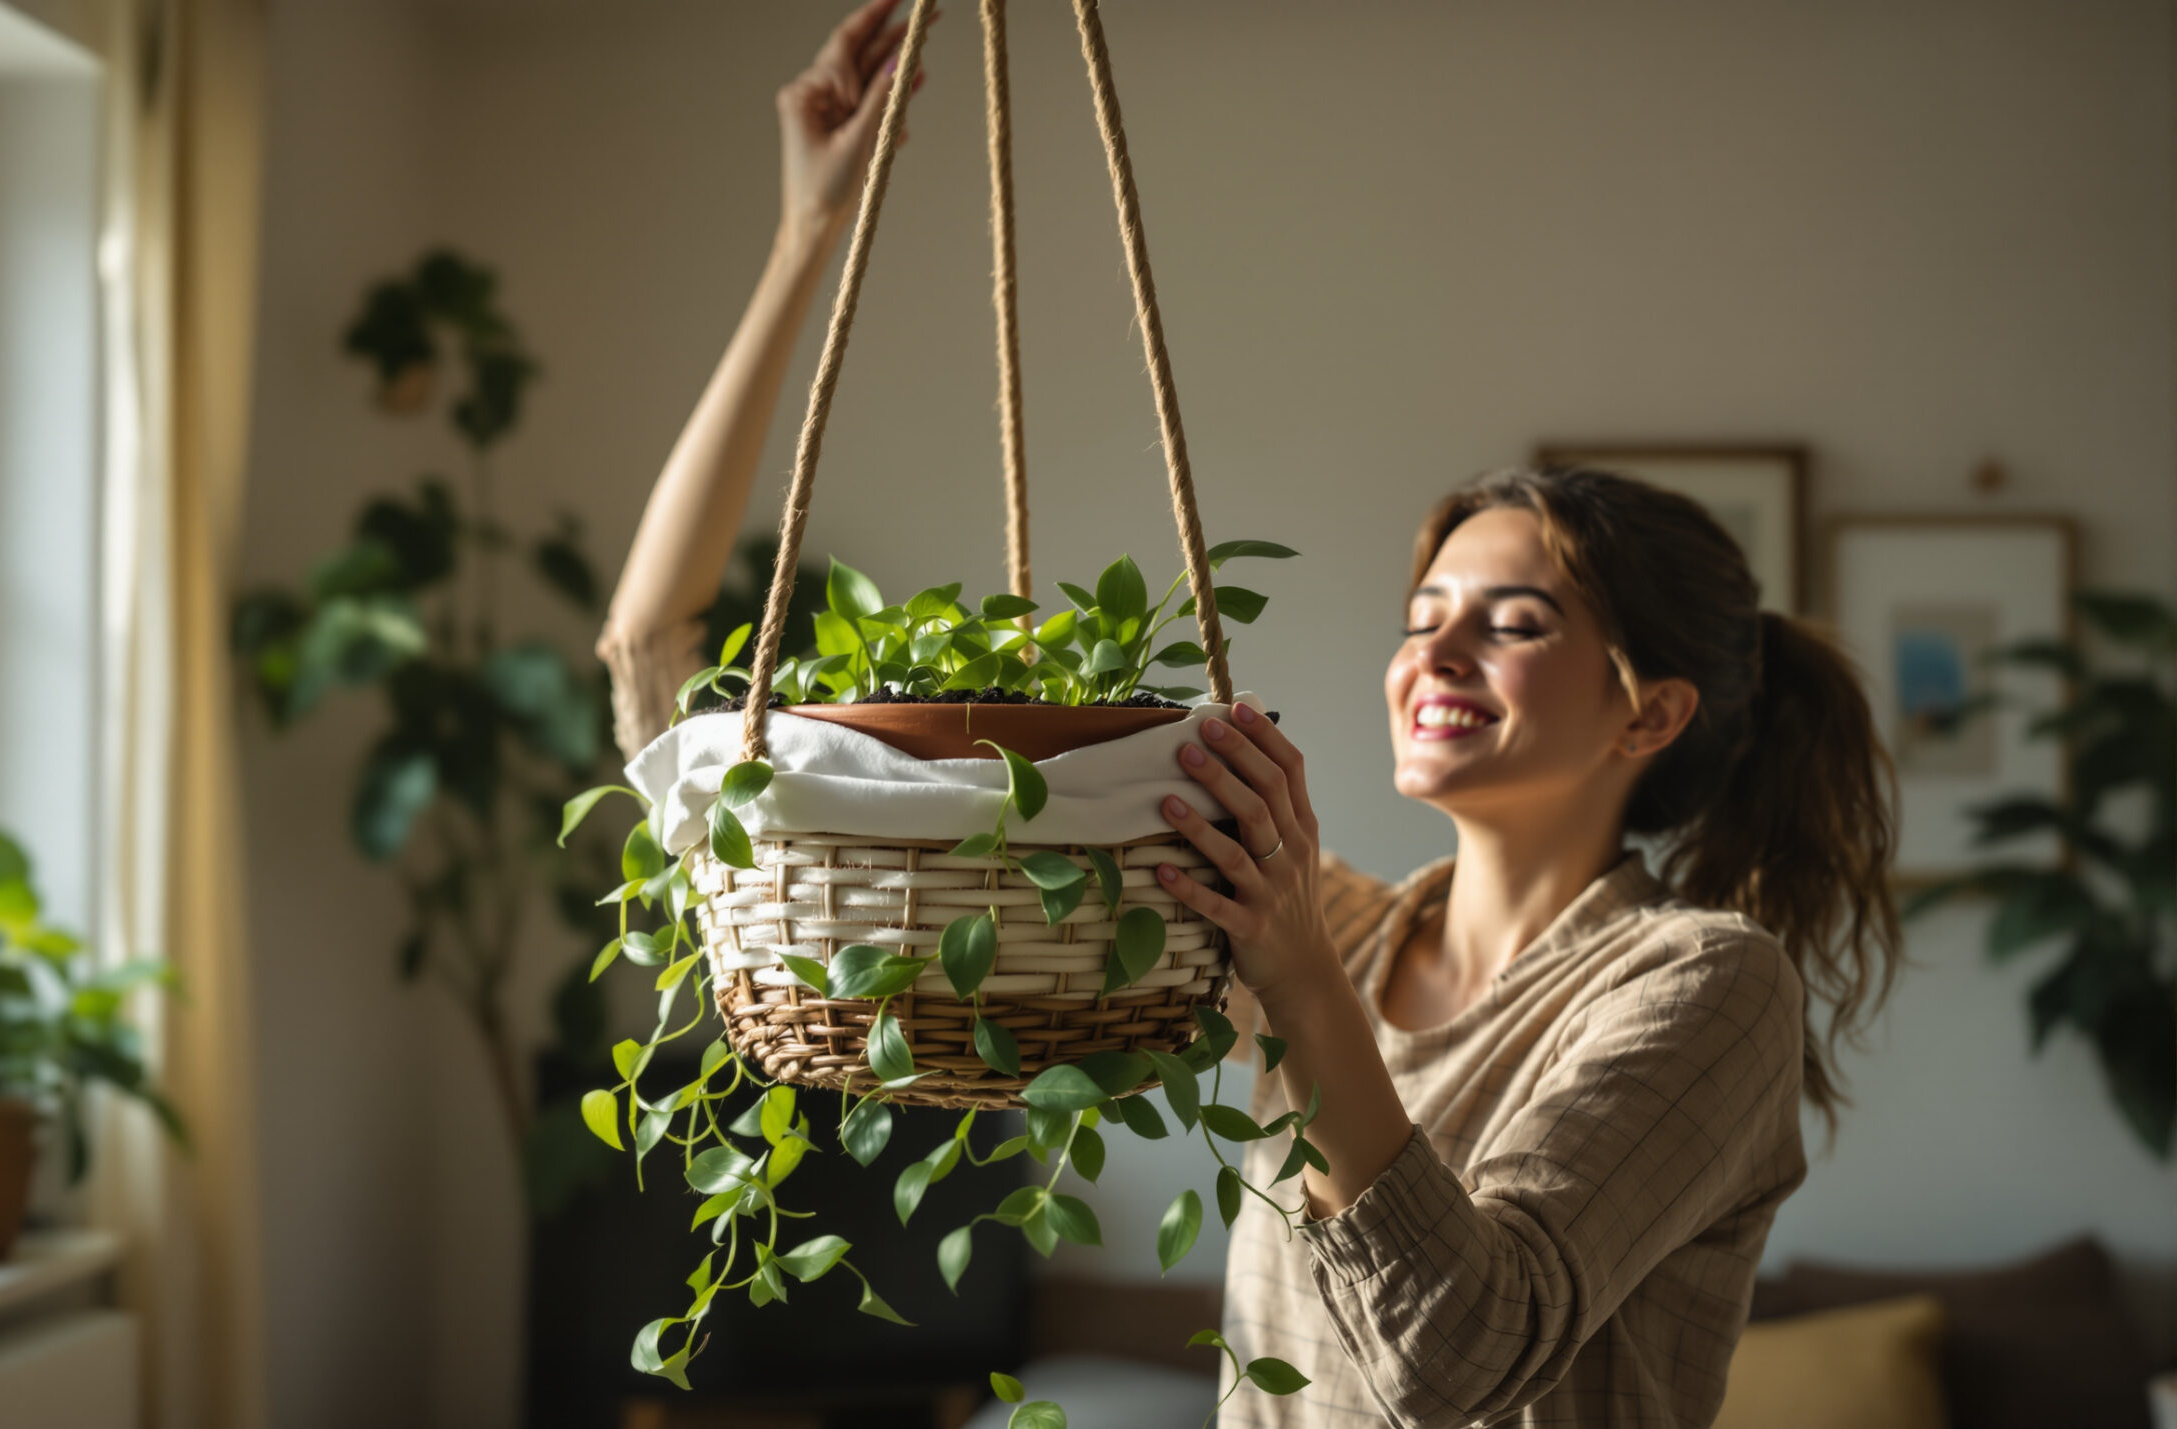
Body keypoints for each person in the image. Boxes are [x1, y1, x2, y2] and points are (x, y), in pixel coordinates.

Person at [593, 5, 1902, 1426]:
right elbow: (652, 658)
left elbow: (1459, 1360)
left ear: (1649, 716)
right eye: (1423, 615)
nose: (1437, 651)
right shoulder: (1320, 930)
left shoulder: (1700, 985)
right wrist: (807, 235)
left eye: (1514, 622)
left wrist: (1295, 974)